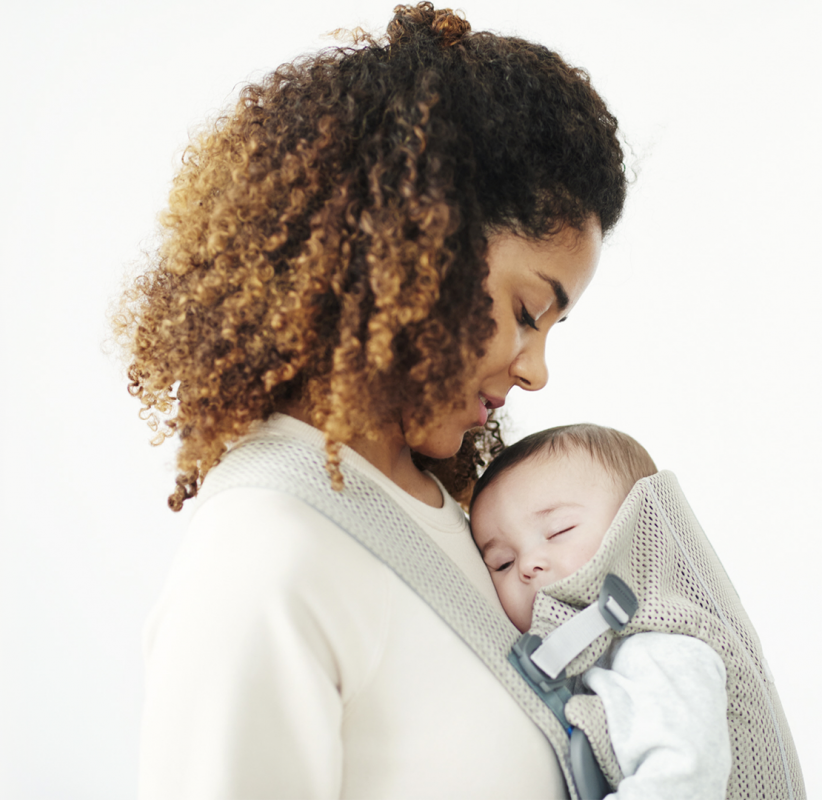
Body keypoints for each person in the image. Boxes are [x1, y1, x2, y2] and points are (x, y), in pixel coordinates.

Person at [114, 4, 627, 798]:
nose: (537, 372)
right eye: (528, 312)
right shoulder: (266, 561)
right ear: (415, 245)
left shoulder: (458, 520)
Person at [469, 425, 806, 800]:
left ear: (635, 530)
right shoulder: (596, 652)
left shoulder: (664, 649)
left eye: (558, 530)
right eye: (502, 563)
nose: (528, 564)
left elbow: (680, 782)